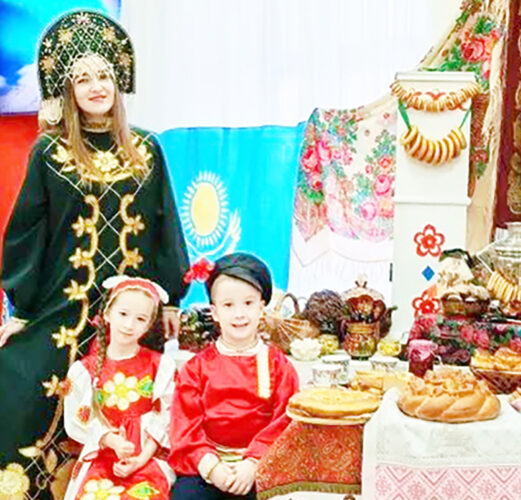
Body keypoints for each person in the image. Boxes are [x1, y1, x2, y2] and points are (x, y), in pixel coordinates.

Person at [0, 10, 189, 494]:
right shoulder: (50, 152)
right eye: (82, 79)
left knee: (134, 409)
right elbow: (27, 232)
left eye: (103, 75)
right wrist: (21, 310)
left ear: (118, 81)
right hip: (63, 306)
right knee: (18, 383)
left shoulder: (146, 149)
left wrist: (171, 300)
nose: (96, 87)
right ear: (68, 90)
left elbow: (165, 225)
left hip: (132, 314)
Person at [169, 253, 299, 499]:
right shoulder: (196, 368)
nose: (239, 314)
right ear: (214, 312)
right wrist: (213, 468)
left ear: (261, 307)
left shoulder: (279, 366)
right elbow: (185, 426)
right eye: (228, 305)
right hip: (208, 468)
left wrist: (253, 464)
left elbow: (285, 421)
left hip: (261, 467)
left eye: (248, 303)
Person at [63, 276, 176, 500]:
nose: (129, 325)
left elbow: (166, 415)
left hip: (148, 457)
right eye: (123, 314)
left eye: (140, 318)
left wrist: (141, 458)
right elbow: (77, 419)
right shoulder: (84, 370)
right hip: (99, 456)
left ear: (149, 324)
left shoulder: (160, 366)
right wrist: (110, 440)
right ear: (107, 314)